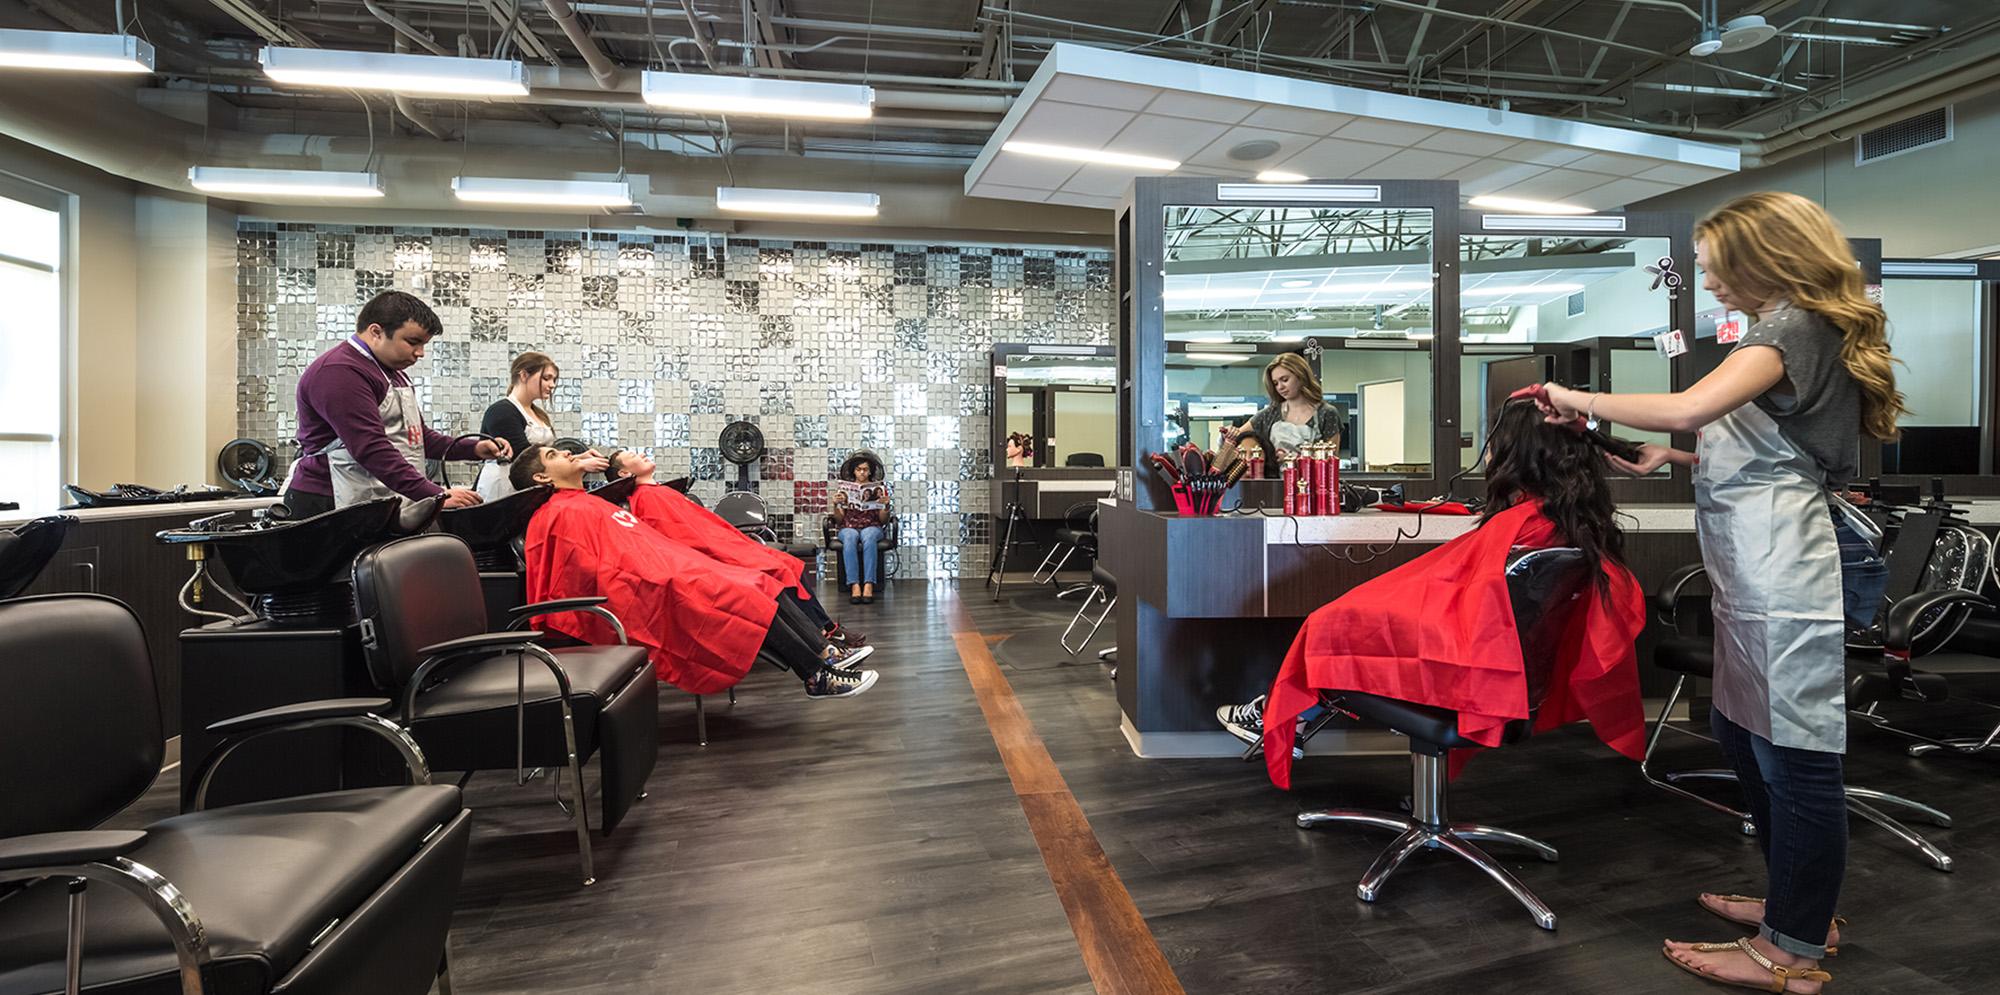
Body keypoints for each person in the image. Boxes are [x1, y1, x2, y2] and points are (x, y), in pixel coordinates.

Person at [1535, 192, 1902, 994]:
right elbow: (1770, 452)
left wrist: (1575, 397)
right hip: (1752, 563)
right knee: (1742, 735)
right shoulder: (1786, 332)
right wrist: (1672, 461)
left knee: (1795, 754)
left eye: (1712, 266)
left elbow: (1694, 406)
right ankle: (1793, 904)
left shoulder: (1792, 328)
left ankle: (1796, 948)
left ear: (1761, 258)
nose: (1705, 280)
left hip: (1788, 564)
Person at [1216, 398, 1646, 783]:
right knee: (1344, 622)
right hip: (1498, 666)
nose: (1490, 451)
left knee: (1328, 626)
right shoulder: (1570, 522)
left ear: (1518, 451)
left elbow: (1466, 607)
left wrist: (1347, 618)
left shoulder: (1524, 524)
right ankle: (1288, 711)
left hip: (1468, 666)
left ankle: (1281, 710)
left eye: (1496, 440)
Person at [510, 446, 877, 700]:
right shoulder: (557, 515)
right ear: (542, 477)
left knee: (760, 580)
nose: (568, 453)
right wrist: (666, 575)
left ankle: (821, 662)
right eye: (555, 454)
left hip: (672, 570)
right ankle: (817, 673)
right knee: (749, 589)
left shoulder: (585, 503)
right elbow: (590, 571)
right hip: (653, 586)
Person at [605, 448, 865, 648]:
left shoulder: (660, 492)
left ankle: (826, 631)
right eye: (632, 455)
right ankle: (824, 635)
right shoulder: (647, 498)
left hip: (726, 545)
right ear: (624, 474)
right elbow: (680, 538)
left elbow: (700, 525)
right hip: (711, 555)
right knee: (779, 566)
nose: (641, 453)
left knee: (785, 562)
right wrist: (727, 548)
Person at [281, 291, 508, 518]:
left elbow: (417, 438)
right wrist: (435, 494)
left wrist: (474, 449)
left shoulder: (393, 373)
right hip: (327, 502)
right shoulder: (340, 371)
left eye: (423, 344)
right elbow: (370, 448)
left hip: (372, 498)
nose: (420, 353)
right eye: (413, 342)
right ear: (376, 332)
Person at [475, 352, 607, 501]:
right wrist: (579, 464)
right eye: (546, 378)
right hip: (501, 491)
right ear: (524, 375)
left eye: (554, 380)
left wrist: (576, 458)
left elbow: (544, 459)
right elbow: (524, 459)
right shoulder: (501, 411)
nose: (552, 385)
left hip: (529, 490)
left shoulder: (538, 414)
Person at [1220, 352, 1346, 458]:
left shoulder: (1326, 413)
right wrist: (1229, 433)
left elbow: (1331, 458)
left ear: (1300, 376)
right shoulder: (1270, 413)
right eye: (1275, 383)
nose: (1280, 387)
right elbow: (1238, 436)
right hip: (1275, 483)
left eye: (1285, 380)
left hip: (1311, 483)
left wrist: (1296, 459)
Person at [831, 452, 889, 604]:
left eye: (865, 469)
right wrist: (835, 505)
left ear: (870, 471)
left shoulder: (878, 489)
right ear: (854, 471)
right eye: (858, 469)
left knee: (868, 536)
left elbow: (883, 520)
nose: (862, 472)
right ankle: (854, 585)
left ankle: (868, 584)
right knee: (850, 537)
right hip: (848, 526)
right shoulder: (844, 490)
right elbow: (839, 520)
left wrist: (885, 506)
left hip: (872, 526)